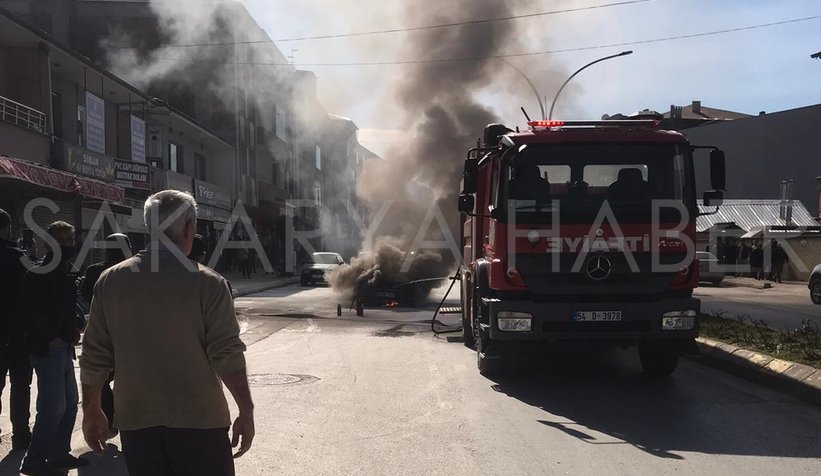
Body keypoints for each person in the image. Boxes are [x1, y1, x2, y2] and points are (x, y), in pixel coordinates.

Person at [80, 190, 254, 476]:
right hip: (200, 423)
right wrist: (245, 410)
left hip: (137, 423)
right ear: (189, 228)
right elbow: (227, 354)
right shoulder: (208, 284)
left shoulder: (111, 281)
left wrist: (91, 409)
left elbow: (93, 356)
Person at [17, 221, 88, 475]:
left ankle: (59, 453)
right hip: (48, 349)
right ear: (49, 243)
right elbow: (30, 313)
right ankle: (35, 459)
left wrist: (73, 330)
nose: (68, 245)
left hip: (64, 348)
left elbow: (68, 308)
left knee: (70, 404)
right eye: (63, 240)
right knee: (52, 406)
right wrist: (49, 338)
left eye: (70, 240)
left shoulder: (64, 271)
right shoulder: (38, 272)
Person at [80, 233, 133, 440]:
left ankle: (110, 421)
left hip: (103, 334)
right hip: (128, 335)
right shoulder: (135, 270)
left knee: (101, 381)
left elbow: (85, 295)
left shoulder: (96, 271)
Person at [0, 208, 33, 451]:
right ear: (7, 228)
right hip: (18, 334)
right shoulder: (18, 257)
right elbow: (33, 292)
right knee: (21, 386)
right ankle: (21, 436)